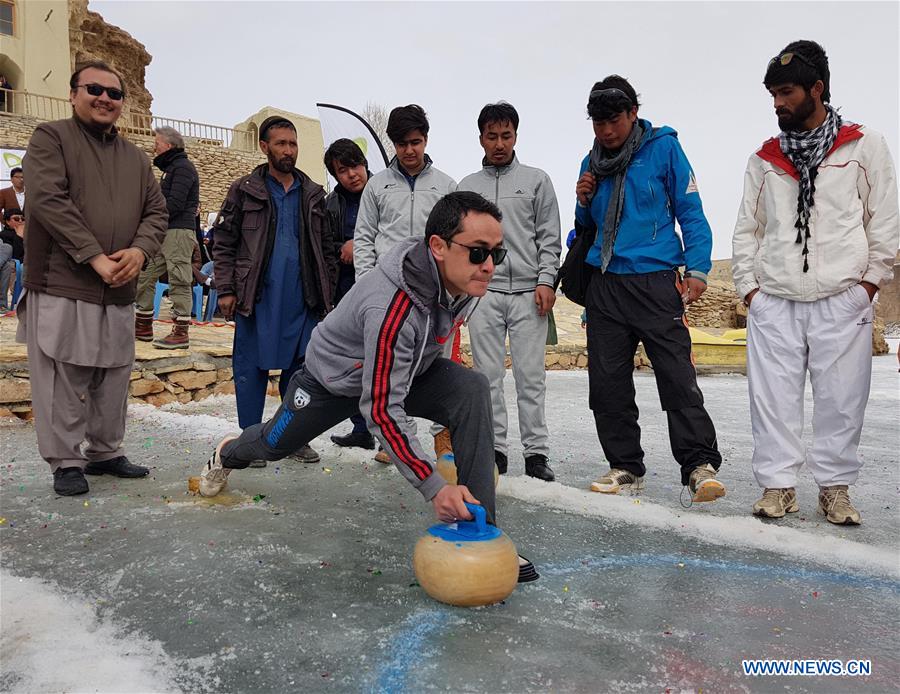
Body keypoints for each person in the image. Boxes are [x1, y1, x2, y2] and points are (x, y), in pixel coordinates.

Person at [198, 191, 538, 582]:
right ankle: (228, 451)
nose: (490, 266)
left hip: (401, 371)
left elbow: (418, 353)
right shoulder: (392, 305)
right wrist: (433, 486)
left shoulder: (464, 282)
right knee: (273, 445)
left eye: (499, 253)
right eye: (479, 252)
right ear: (439, 247)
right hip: (332, 382)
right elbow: (380, 409)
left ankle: (483, 530)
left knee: (471, 389)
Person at [732, 40, 899, 524]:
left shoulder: (864, 146)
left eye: (785, 92)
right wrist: (751, 292)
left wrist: (867, 285)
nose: (777, 104)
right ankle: (778, 487)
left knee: (843, 400)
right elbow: (748, 229)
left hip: (841, 298)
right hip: (776, 302)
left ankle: (835, 490)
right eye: (773, 95)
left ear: (817, 89)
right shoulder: (764, 159)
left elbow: (883, 220)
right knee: (771, 400)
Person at [17, 61, 167, 496]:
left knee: (114, 375)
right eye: (95, 89)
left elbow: (157, 213)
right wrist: (94, 257)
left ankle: (104, 452)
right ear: (73, 93)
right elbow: (48, 199)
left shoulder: (136, 159)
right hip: (65, 282)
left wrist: (139, 250)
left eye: (114, 93)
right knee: (64, 375)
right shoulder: (51, 138)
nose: (105, 98)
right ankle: (66, 461)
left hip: (118, 288)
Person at [574, 75, 725, 503]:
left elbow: (690, 211)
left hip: (656, 280)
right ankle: (625, 466)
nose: (606, 131)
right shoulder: (591, 162)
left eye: (614, 120)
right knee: (607, 383)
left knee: (677, 375)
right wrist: (583, 200)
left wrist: (697, 268)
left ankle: (698, 465)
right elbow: (584, 230)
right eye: (598, 122)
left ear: (633, 113)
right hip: (605, 284)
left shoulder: (664, 149)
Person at [212, 115, 338, 466]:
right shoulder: (244, 189)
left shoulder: (312, 193)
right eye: (281, 144)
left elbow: (326, 249)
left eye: (293, 144)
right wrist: (226, 289)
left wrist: (327, 295)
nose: (288, 150)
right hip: (257, 298)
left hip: (303, 299)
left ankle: (292, 438)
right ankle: (252, 441)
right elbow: (223, 242)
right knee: (250, 370)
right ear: (264, 146)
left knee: (301, 372)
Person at [458, 102, 560, 481]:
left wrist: (547, 279)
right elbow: (459, 244)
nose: (499, 143)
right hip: (483, 295)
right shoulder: (467, 187)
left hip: (528, 296)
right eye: (491, 136)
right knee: (487, 379)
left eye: (506, 135)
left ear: (516, 136)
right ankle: (494, 451)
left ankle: (536, 455)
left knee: (530, 378)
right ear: (480, 137)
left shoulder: (537, 181)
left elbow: (549, 237)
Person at [354, 104, 458, 461]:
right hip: (389, 294)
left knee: (438, 367)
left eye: (415, 142)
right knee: (389, 369)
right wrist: (368, 287)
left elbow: (456, 239)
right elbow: (364, 238)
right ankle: (395, 438)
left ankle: (442, 438)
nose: (409, 150)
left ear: (426, 140)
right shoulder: (377, 186)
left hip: (434, 295)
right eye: (401, 144)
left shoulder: (446, 186)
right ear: (393, 144)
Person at [323, 138, 376, 450]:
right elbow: (323, 247)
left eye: (355, 165)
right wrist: (341, 247)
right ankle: (361, 429)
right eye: (343, 170)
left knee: (385, 359)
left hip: (383, 288)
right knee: (353, 360)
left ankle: (388, 434)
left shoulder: (384, 192)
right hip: (347, 289)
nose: (352, 174)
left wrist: (363, 245)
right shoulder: (331, 205)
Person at [134, 127, 200, 348]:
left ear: (169, 146)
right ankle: (142, 325)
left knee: (179, 278)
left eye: (158, 143)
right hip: (164, 231)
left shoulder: (183, 168)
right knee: (146, 274)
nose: (154, 146)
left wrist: (151, 218)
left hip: (179, 232)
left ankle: (181, 332)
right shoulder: (171, 169)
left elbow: (176, 204)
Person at [0, 208, 25, 311]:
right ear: (7, 221)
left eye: (22, 219)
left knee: (7, 266)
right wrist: (19, 236)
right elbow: (14, 254)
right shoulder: (3, 235)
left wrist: (20, 235)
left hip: (17, 264)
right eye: (16, 218)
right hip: (11, 262)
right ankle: (2, 305)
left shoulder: (30, 234)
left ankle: (2, 305)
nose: (20, 221)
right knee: (7, 248)